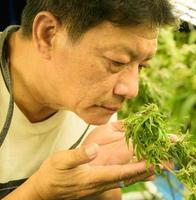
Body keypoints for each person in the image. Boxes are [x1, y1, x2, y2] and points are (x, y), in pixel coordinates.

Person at [0, 0, 176, 199]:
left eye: (142, 66)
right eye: (116, 62)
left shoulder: (93, 106)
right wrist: (39, 192)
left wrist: (99, 183)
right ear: (48, 35)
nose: (131, 90)